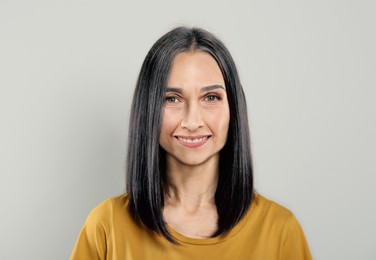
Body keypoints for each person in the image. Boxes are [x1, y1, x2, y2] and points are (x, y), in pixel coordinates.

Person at [70, 26, 312, 259]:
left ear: (233, 110)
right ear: (148, 109)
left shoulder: (281, 230)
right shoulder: (106, 226)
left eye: (211, 97)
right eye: (172, 99)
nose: (193, 121)